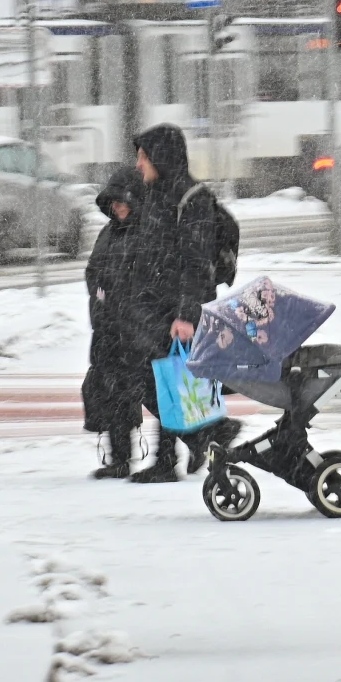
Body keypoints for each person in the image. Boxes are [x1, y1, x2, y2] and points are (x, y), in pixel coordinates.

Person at [124, 124, 241, 484]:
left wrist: (187, 315)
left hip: (177, 309)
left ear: (161, 157)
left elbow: (196, 262)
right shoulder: (155, 196)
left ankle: (201, 437)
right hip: (153, 307)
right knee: (161, 383)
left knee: (161, 381)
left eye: (144, 157)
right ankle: (199, 438)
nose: (138, 163)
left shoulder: (193, 200)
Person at [83, 167, 146, 480]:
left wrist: (124, 300)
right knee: (108, 391)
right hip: (108, 328)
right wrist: (100, 295)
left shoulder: (147, 232)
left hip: (138, 330)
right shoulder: (108, 233)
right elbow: (93, 271)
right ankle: (119, 458)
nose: (119, 207)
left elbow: (147, 280)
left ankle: (203, 436)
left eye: (124, 201)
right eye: (114, 202)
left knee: (150, 394)